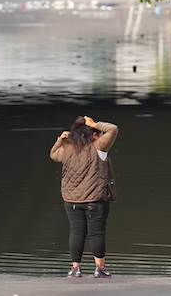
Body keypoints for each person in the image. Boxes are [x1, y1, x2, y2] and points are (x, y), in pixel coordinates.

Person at [50, 115, 118, 279]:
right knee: (97, 233)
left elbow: (53, 154)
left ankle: (75, 269)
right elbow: (113, 129)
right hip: (95, 198)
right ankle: (99, 269)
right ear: (93, 134)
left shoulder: (67, 149)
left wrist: (60, 140)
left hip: (71, 199)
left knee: (76, 232)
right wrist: (95, 123)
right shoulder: (99, 147)